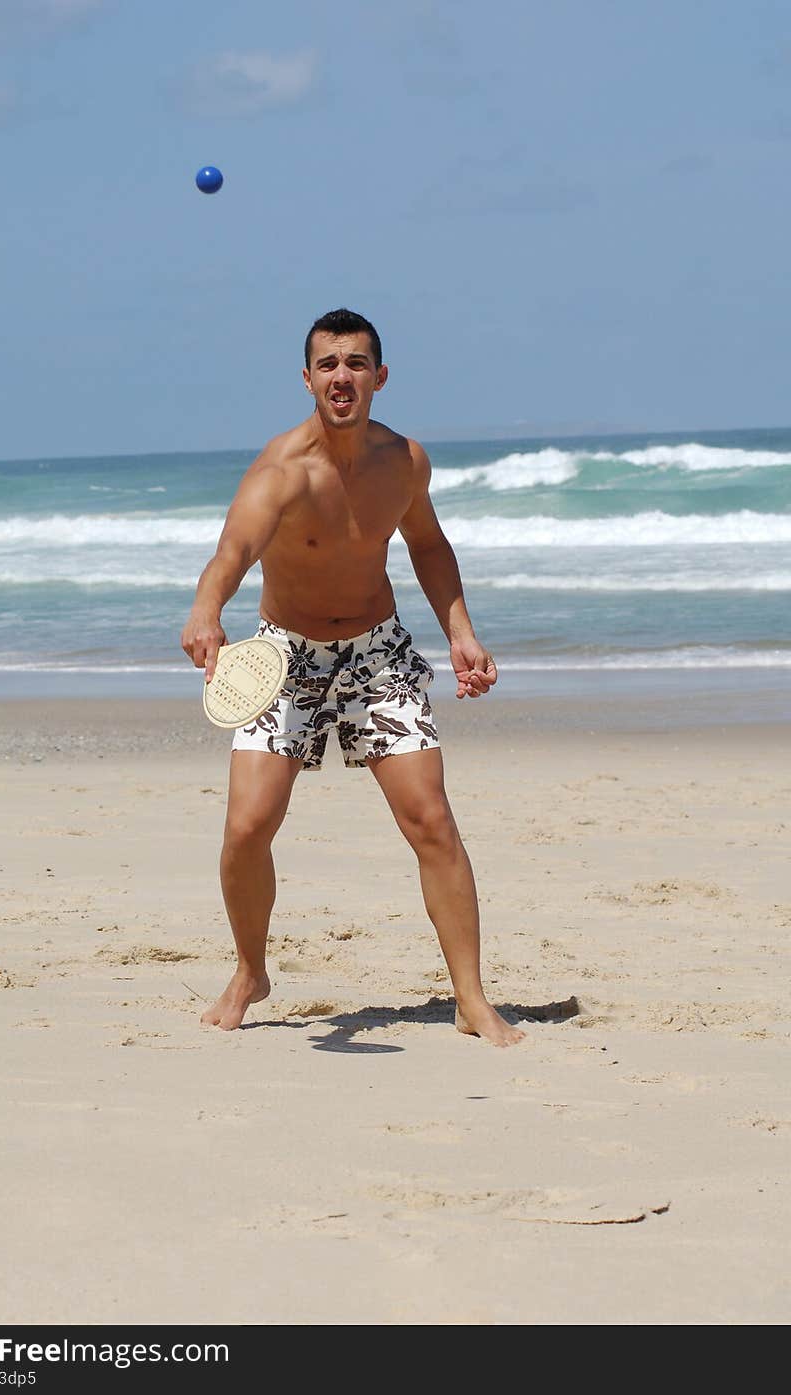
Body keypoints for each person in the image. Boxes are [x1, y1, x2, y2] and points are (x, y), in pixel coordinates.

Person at [181, 308, 525, 1047]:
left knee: (431, 820)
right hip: (285, 658)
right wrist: (207, 611)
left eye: (357, 363)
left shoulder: (404, 460)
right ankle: (250, 971)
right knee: (247, 827)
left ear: (380, 377)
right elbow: (232, 551)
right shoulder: (281, 469)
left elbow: (429, 546)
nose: (343, 376)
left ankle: (470, 998)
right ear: (308, 378)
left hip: (377, 656)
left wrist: (461, 634)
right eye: (329, 363)